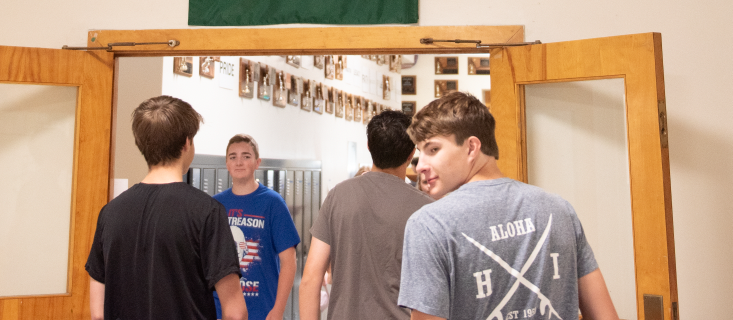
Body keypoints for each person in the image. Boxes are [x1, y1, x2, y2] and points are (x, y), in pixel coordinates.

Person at [398, 92, 620, 320]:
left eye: (433, 149)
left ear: (472, 147)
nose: (420, 166)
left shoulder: (429, 225)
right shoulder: (559, 210)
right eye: (419, 152)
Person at [85, 96, 247, 320]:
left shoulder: (110, 213)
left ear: (140, 144)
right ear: (186, 143)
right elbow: (235, 313)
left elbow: (98, 313)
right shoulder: (207, 212)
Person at [299, 110, 432, 320]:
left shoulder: (338, 196)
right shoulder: (426, 209)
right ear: (411, 154)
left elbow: (310, 280)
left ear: (369, 146)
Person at [213, 134, 299, 320]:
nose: (239, 162)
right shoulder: (216, 205)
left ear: (257, 162)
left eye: (246, 156)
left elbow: (289, 261)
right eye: (233, 157)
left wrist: (278, 310)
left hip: (263, 311)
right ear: (226, 164)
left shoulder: (272, 203)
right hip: (223, 311)